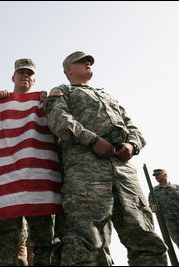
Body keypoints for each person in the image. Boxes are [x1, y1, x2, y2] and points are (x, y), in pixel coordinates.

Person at [44, 51, 168, 266]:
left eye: (89, 61)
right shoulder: (62, 91)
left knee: (143, 233)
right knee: (84, 238)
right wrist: (92, 139)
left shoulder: (107, 96)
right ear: (68, 70)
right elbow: (59, 120)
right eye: (81, 61)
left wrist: (132, 145)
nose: (88, 63)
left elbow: (132, 127)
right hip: (85, 169)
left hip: (124, 172)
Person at [0, 58, 58, 266]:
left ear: (34, 79)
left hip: (38, 182)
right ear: (13, 77)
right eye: (21, 72)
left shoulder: (43, 103)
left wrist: (48, 103)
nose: (25, 76)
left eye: (29, 73)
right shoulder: (0, 102)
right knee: (5, 237)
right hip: (9, 181)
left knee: (44, 239)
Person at [148, 168, 179, 248]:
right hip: (170, 221)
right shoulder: (154, 192)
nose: (156, 177)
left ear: (165, 175)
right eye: (155, 176)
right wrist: (153, 208)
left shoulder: (177, 187)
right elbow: (151, 205)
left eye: (158, 174)